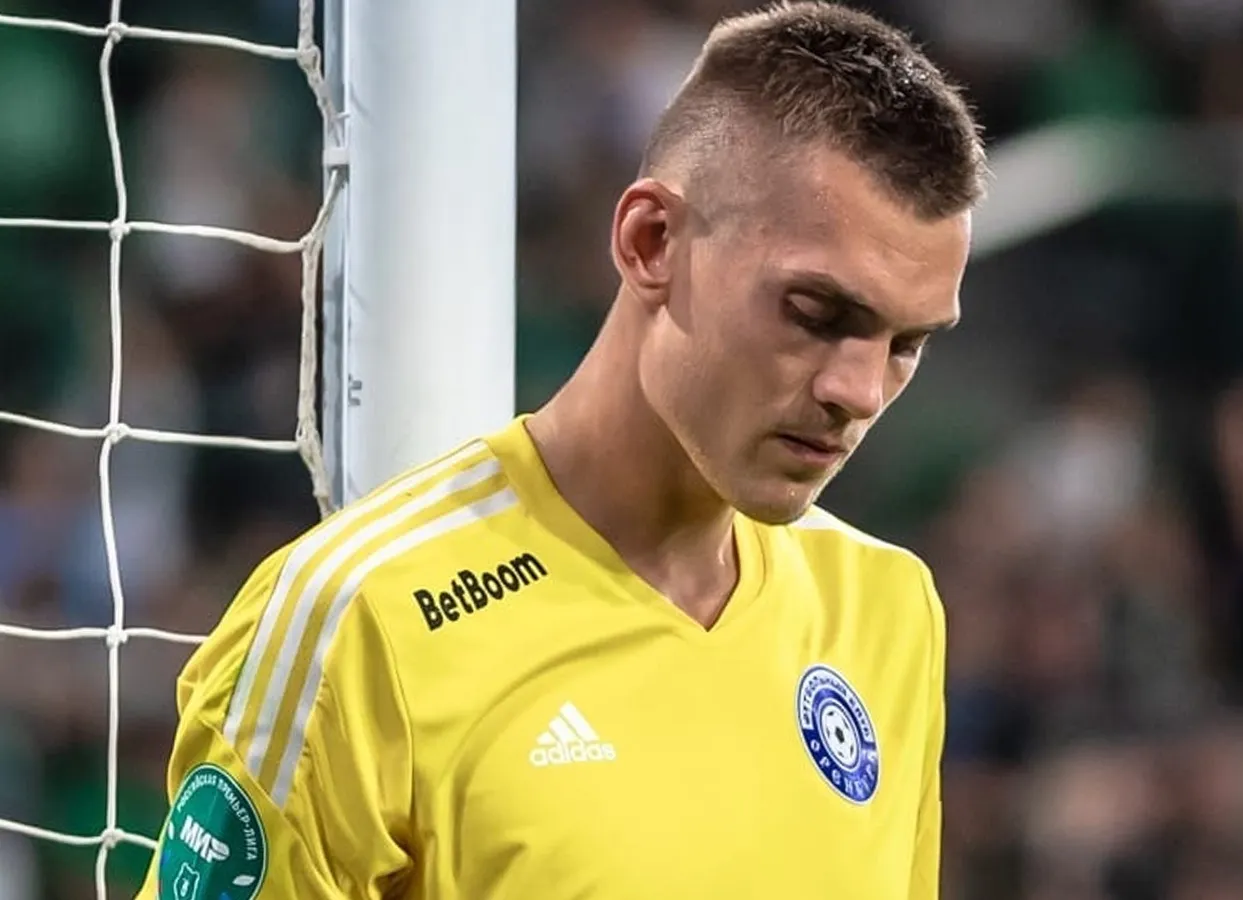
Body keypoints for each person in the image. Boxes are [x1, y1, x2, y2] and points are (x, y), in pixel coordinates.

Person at [135, 1, 985, 897]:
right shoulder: (355, 622)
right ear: (651, 242)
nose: (859, 391)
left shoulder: (888, 610)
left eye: (907, 344)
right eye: (816, 313)